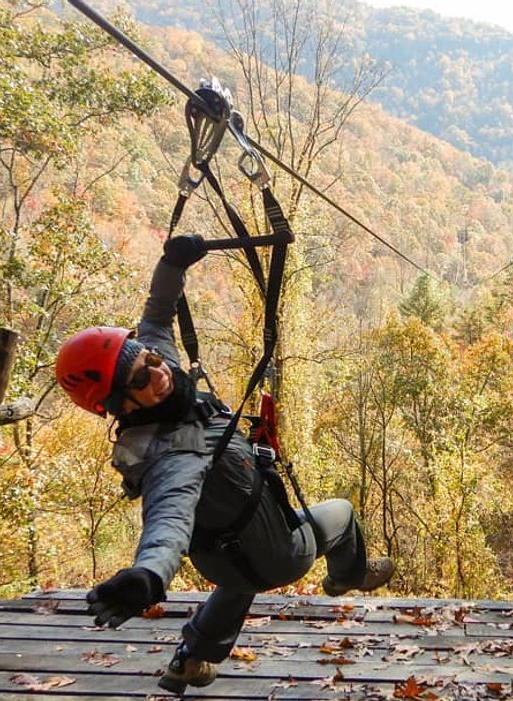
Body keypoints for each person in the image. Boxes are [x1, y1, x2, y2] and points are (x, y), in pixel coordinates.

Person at [54, 234, 395, 694]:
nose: (158, 371)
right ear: (121, 404)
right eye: (141, 376)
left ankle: (189, 660)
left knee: (238, 581)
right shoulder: (172, 455)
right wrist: (148, 575)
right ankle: (346, 577)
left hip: (228, 557)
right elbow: (168, 519)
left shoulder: (164, 377)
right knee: (342, 515)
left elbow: (157, 313)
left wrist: (171, 264)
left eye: (151, 359)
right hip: (278, 553)